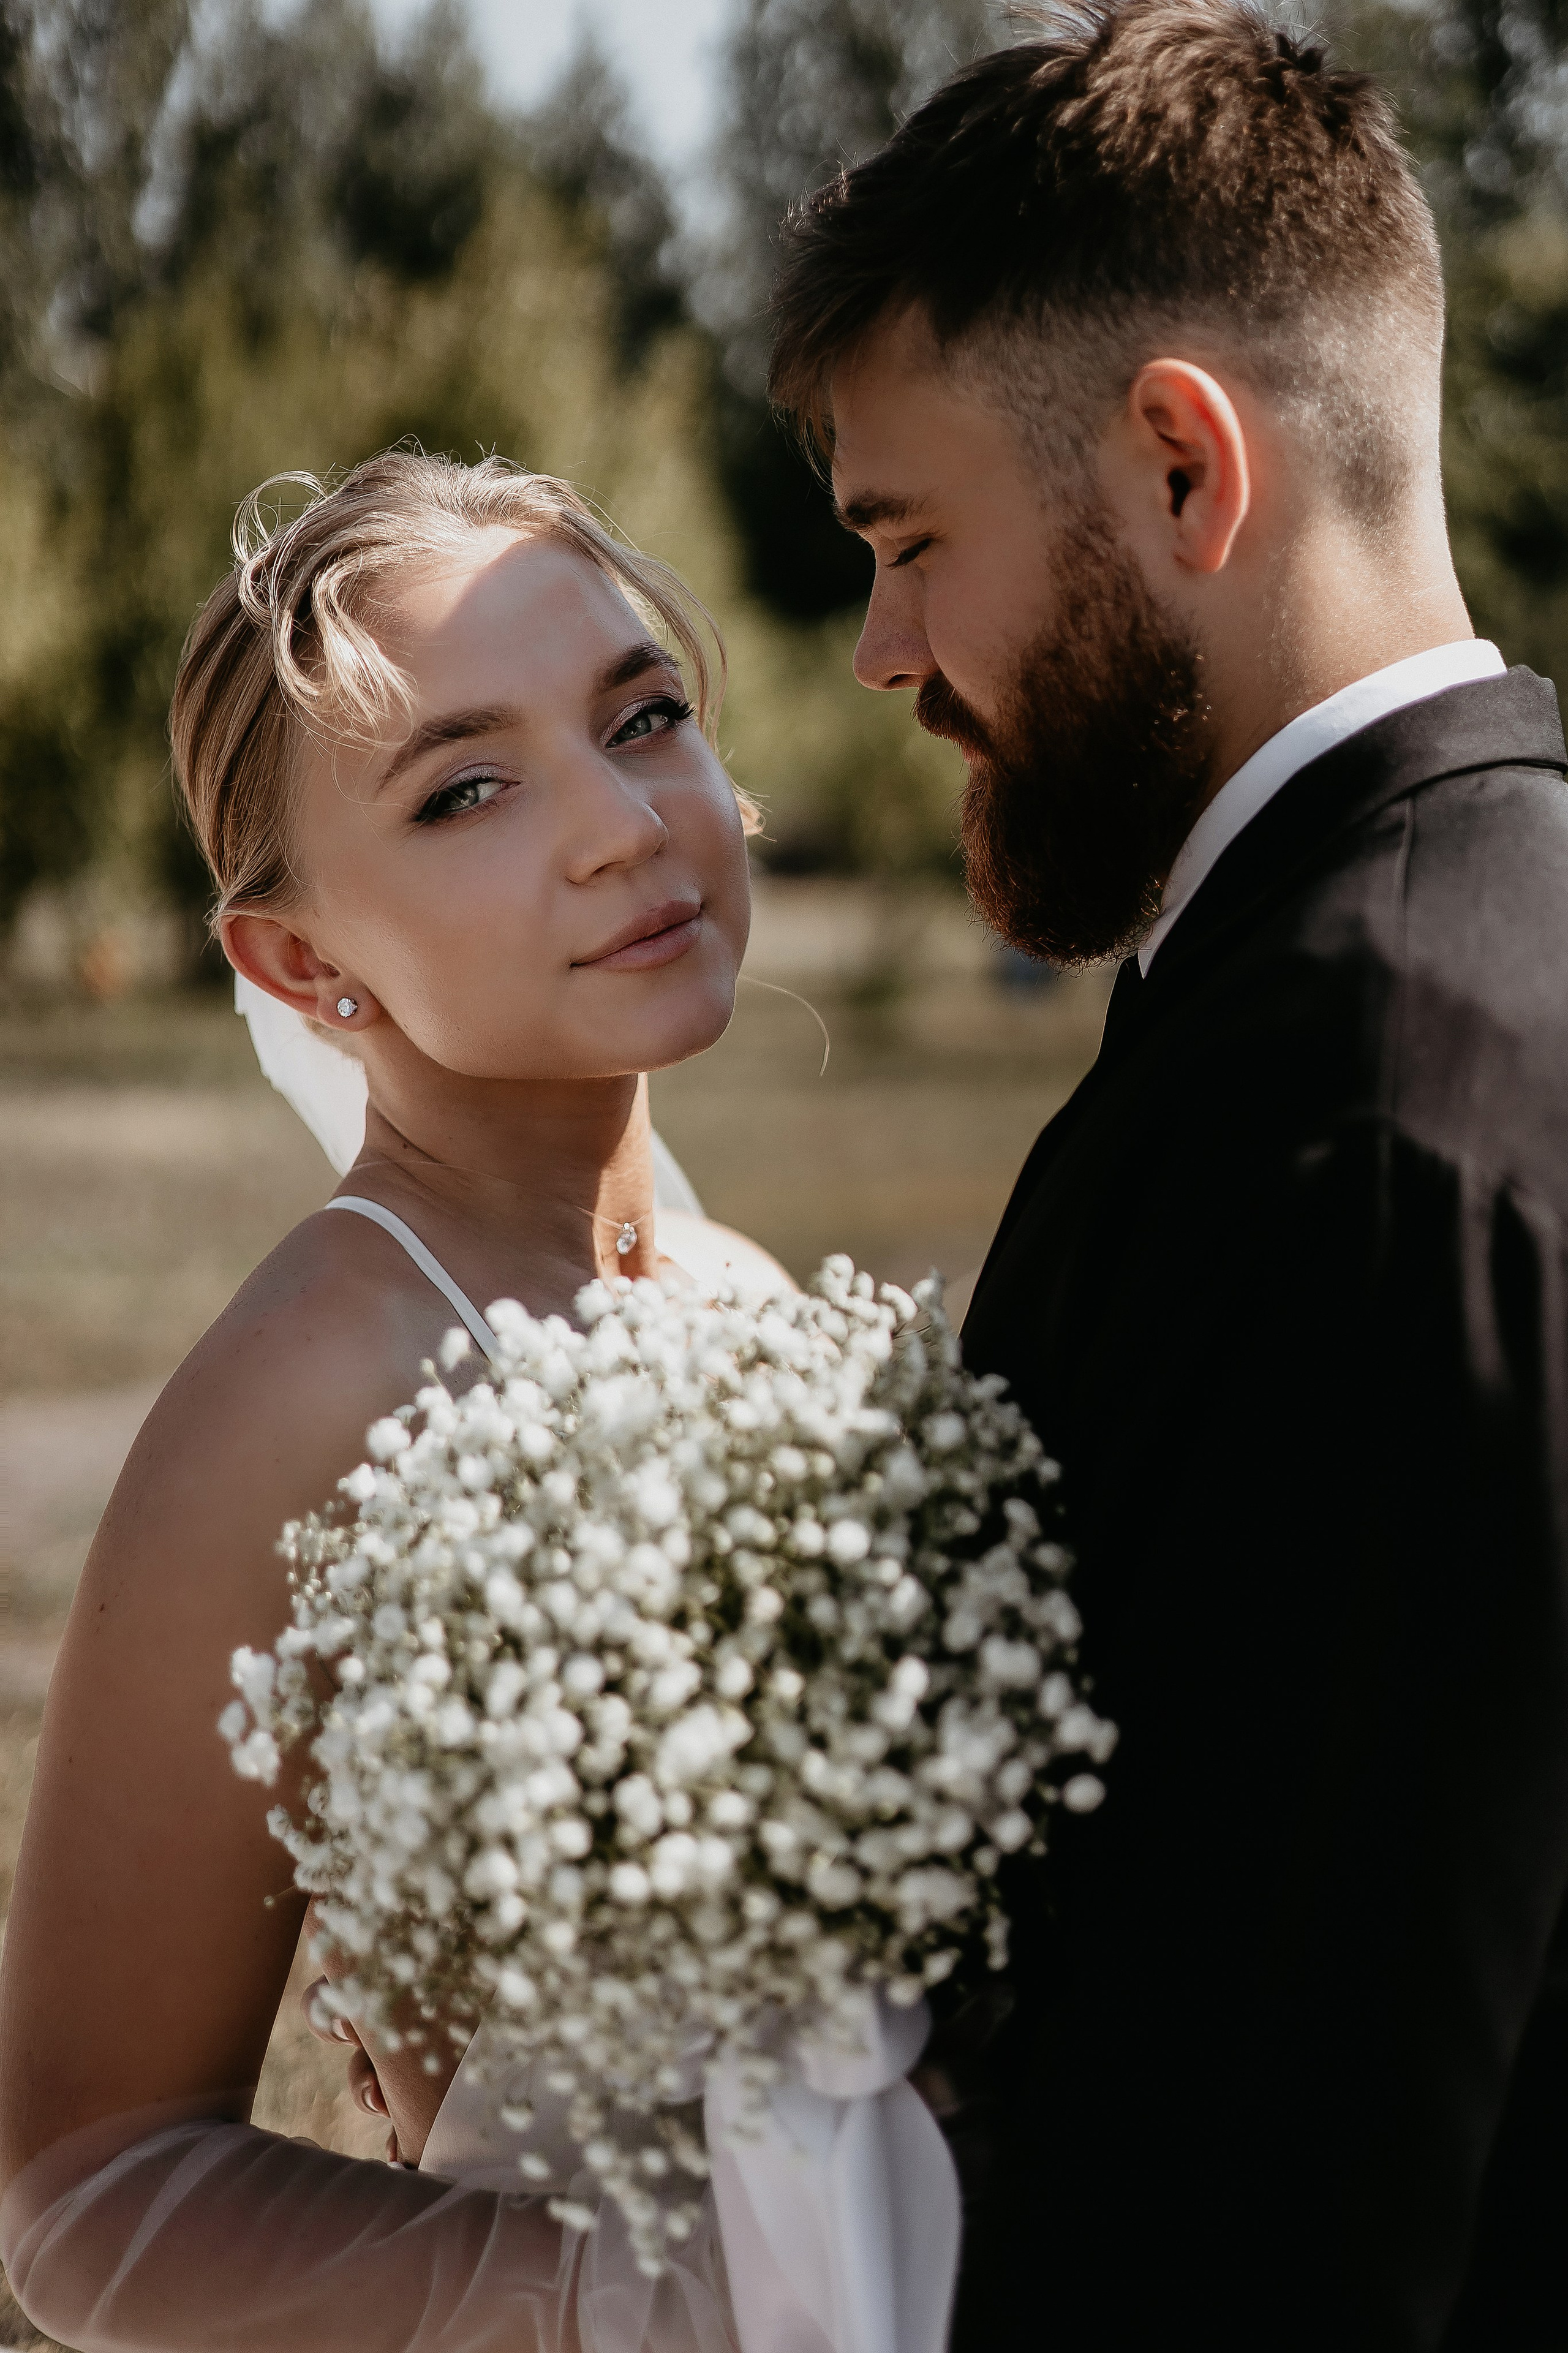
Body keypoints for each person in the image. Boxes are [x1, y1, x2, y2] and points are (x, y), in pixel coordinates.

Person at [769, 4, 1568, 2348]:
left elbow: (1290, 2188)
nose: (882, 649)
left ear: (1182, 468)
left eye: (911, 539)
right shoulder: (1372, 984)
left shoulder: (1381, 1121)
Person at [0, 451, 777, 2351]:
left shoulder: (754, 1300)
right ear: (300, 961)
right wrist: (636, 2296)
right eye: (468, 789)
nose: (622, 824)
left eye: (644, 713)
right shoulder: (315, 1389)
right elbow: (82, 2183)